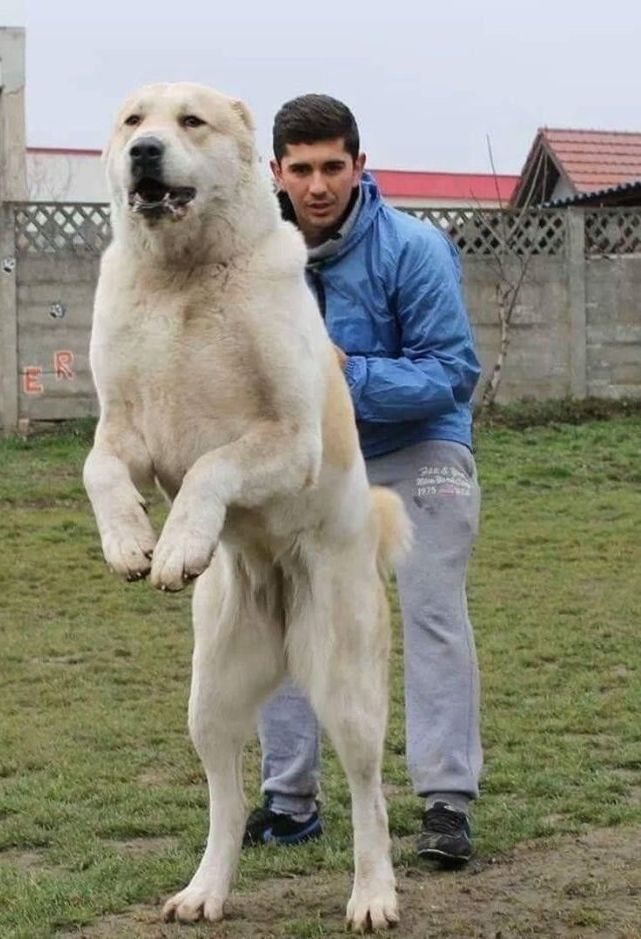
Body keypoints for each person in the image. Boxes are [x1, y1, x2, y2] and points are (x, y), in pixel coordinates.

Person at [242, 93, 483, 866]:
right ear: (275, 170)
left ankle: (445, 802)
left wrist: (347, 375)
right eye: (301, 169)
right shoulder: (252, 258)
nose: (318, 185)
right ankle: (289, 800)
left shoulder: (413, 247)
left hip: (418, 447)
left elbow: (453, 374)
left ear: (359, 165)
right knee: (277, 607)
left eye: (333, 167)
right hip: (307, 460)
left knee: (429, 604)